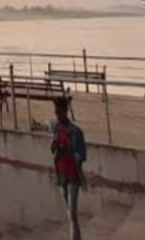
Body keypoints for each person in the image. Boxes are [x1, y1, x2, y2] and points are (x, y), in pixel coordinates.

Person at [50, 96, 86, 240]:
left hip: (73, 175)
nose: (57, 116)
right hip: (62, 174)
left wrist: (69, 152)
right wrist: (54, 146)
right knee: (69, 213)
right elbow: (54, 150)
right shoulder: (57, 128)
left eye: (59, 113)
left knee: (72, 213)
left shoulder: (76, 132)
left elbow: (81, 155)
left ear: (65, 111)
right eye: (56, 113)